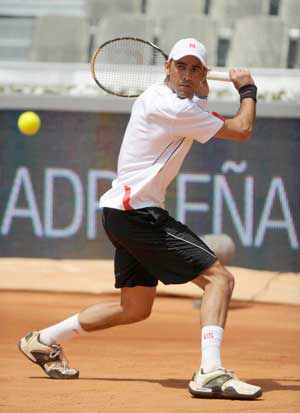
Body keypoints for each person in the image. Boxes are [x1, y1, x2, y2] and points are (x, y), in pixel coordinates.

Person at [19, 38, 262, 399]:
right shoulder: (170, 106)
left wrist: (201, 93)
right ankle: (210, 372)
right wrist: (248, 89)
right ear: (167, 67)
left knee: (134, 308)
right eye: (181, 66)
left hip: (123, 213)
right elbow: (242, 129)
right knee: (219, 280)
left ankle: (44, 340)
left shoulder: (172, 103)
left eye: (196, 68)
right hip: (138, 215)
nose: (187, 73)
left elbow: (192, 112)